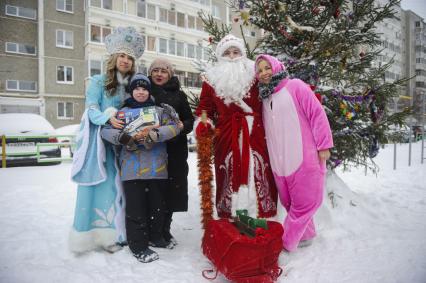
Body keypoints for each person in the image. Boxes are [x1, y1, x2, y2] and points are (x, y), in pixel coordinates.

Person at [69, 26, 145, 253]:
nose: (125, 61)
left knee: (121, 189)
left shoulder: (134, 87)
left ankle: (118, 234)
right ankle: (94, 236)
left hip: (125, 146)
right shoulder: (98, 81)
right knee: (102, 187)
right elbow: (91, 108)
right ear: (113, 58)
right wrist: (107, 117)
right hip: (100, 146)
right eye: (122, 55)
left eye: (130, 58)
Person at [255, 54, 333, 252]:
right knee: (289, 202)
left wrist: (323, 145)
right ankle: (306, 235)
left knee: (306, 202)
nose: (264, 73)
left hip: (303, 158)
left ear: (276, 66)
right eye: (260, 70)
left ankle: (285, 244)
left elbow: (317, 114)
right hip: (280, 163)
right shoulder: (265, 97)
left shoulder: (295, 86)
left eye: (267, 67)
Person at [194, 34, 278, 219]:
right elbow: (204, 108)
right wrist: (204, 123)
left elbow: (273, 96)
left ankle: (261, 217)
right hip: (226, 133)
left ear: (243, 53)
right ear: (220, 56)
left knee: (258, 170)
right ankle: (231, 218)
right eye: (227, 53)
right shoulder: (211, 79)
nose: (232, 56)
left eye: (236, 51)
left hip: (255, 131)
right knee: (229, 171)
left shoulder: (255, 73)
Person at [101, 73, 181, 262]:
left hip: (157, 168)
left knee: (157, 207)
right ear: (131, 91)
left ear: (149, 91)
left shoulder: (160, 111)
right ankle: (138, 246)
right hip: (132, 170)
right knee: (136, 209)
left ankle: (155, 238)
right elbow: (105, 130)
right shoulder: (120, 113)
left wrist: (156, 134)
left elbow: (175, 126)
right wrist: (122, 137)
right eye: (137, 88)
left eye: (144, 88)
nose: (141, 92)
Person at [148, 58, 194, 245]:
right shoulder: (144, 92)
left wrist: (184, 125)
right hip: (151, 151)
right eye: (155, 70)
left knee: (172, 192)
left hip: (174, 151)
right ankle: (153, 231)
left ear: (170, 74)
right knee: (154, 191)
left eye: (163, 71)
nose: (159, 74)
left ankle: (165, 229)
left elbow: (190, 120)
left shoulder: (179, 95)